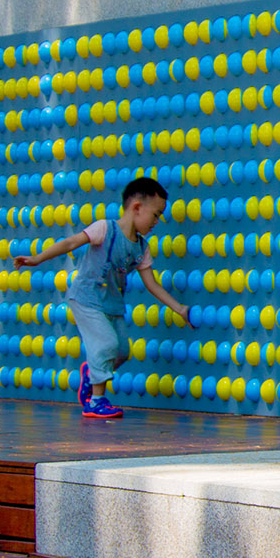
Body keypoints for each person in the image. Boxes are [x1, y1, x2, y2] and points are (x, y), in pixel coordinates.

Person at [13, 176, 192, 419]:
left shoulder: (141, 247)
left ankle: (90, 373)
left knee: (121, 352)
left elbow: (152, 285)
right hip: (86, 298)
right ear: (137, 208)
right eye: (156, 214)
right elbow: (69, 243)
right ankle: (96, 400)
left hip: (111, 304)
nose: (157, 222)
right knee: (106, 344)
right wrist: (36, 259)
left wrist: (178, 308)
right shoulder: (105, 228)